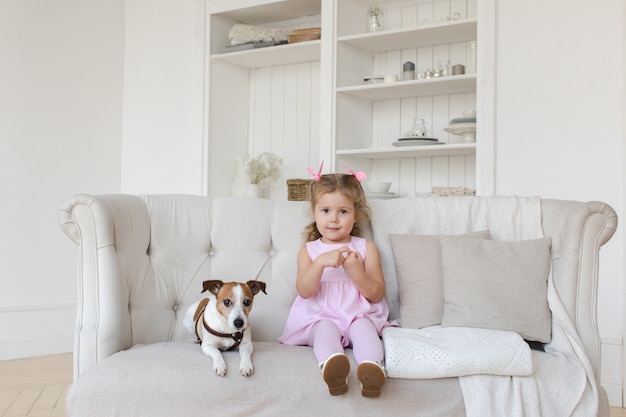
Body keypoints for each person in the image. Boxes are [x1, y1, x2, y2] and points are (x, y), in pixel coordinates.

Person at [279, 166, 393, 398]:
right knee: (325, 331)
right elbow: (304, 291)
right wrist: (319, 263)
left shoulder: (365, 248)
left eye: (343, 211)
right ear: (314, 211)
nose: (333, 219)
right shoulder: (310, 251)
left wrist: (356, 272)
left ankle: (372, 369)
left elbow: (376, 293)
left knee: (363, 330)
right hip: (319, 316)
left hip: (357, 314)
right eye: (325, 211)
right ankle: (333, 367)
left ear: (356, 213)